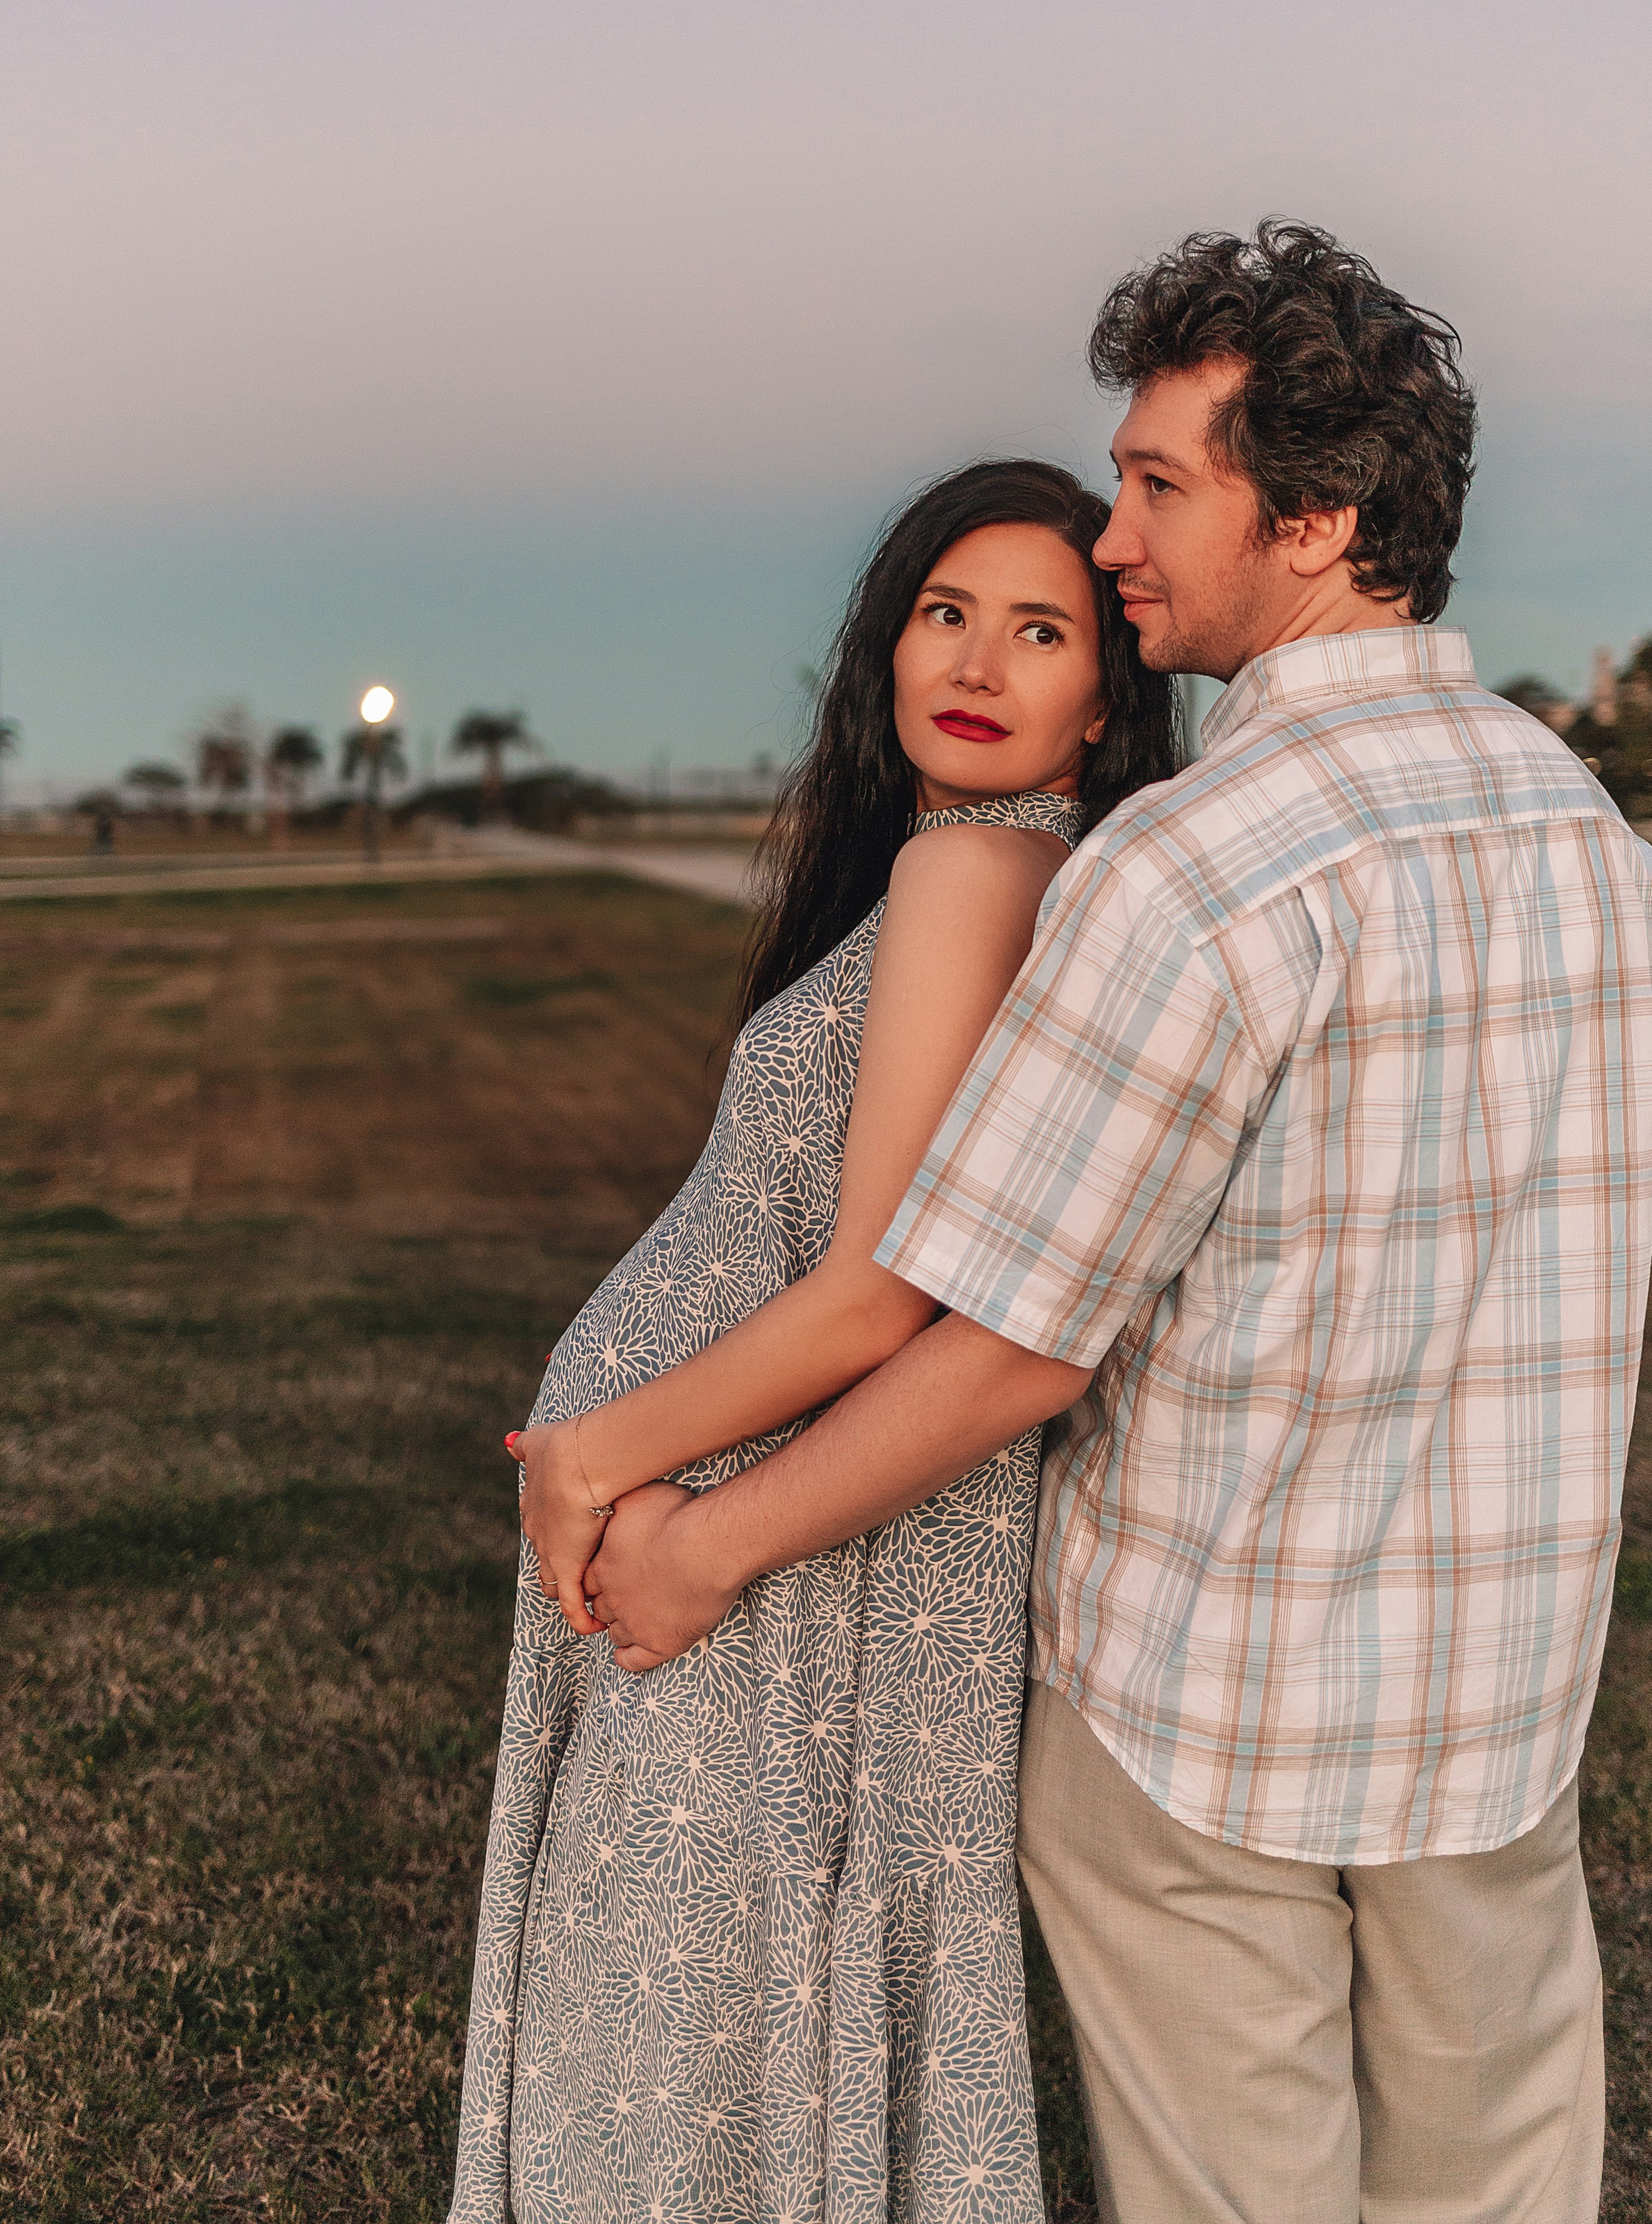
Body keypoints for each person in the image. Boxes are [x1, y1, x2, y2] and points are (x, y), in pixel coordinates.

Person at [588, 222, 1652, 2223]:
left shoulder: (1196, 869)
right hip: (1501, 1726)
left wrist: (705, 1544)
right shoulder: (1590, 838)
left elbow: (1004, 1345)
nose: (1113, 539)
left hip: (1202, 1734)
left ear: (1326, 517)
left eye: (1164, 484)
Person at [447, 459, 1182, 2224]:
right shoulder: (1010, 875)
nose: (980, 661)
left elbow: (881, 1290)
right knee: (735, 2005)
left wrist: (595, 1455)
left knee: (670, 2024)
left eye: (1039, 631)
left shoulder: (969, 870)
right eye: (947, 613)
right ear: (887, 641)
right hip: (829, 1542)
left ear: (1102, 708)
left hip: (787, 1555)